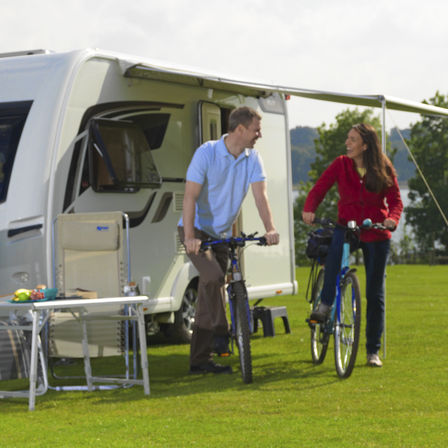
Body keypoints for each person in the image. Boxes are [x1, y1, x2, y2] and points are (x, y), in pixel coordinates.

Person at [178, 106, 279, 375]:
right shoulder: (207, 152)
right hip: (196, 230)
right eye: (256, 129)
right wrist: (189, 237)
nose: (259, 135)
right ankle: (222, 332)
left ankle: (199, 361)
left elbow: (260, 197)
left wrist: (270, 228)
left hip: (222, 234)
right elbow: (189, 196)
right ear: (240, 129)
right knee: (212, 278)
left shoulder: (252, 158)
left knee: (210, 290)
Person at [302, 123, 403, 368]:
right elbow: (320, 188)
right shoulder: (341, 164)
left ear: (365, 145)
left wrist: (392, 219)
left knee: (374, 293)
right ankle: (325, 304)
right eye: (348, 138)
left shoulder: (383, 166)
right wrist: (309, 208)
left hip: (376, 232)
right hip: (346, 226)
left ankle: (372, 351)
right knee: (334, 261)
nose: (347, 143)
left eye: (352, 139)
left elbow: (396, 200)